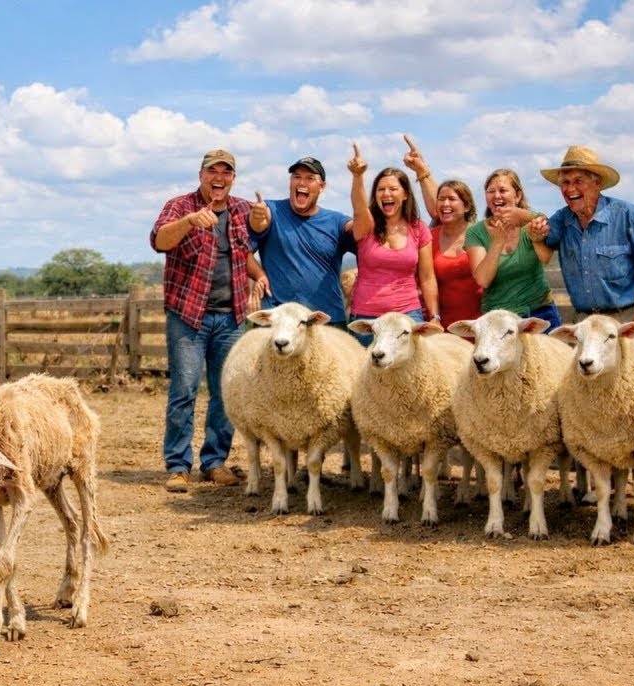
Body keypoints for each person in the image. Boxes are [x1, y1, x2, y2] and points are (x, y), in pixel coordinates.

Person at [151, 149, 260, 493]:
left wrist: (259, 273)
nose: (219, 178)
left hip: (231, 316)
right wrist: (188, 222)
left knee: (224, 393)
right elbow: (158, 240)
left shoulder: (242, 209)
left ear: (233, 179)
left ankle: (214, 462)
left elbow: (244, 251)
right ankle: (178, 465)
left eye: (226, 173)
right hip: (189, 316)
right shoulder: (180, 206)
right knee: (183, 390)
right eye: (213, 171)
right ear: (201, 175)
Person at [536, 146, 634, 324]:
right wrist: (529, 226)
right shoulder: (562, 219)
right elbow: (538, 234)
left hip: (627, 320)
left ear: (597, 183)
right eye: (565, 183)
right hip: (585, 323)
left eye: (578, 181)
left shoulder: (628, 215)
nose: (570, 189)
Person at [345, 142, 441, 347]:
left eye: (393, 189)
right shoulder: (366, 225)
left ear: (405, 194)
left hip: (407, 318)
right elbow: (359, 207)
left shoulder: (419, 229)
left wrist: (434, 315)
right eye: (381, 189)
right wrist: (357, 176)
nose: (386, 194)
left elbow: (427, 276)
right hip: (367, 319)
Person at [246, 156, 356, 327]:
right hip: (277, 321)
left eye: (310, 178)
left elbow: (367, 242)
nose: (301, 182)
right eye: (296, 177)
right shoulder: (271, 210)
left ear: (322, 187)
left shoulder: (337, 222)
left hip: (326, 321)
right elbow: (242, 250)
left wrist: (358, 179)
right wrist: (259, 275)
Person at [463, 169, 563, 331]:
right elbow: (483, 280)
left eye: (503, 190)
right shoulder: (475, 232)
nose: (496, 196)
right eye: (490, 191)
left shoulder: (534, 220)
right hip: (499, 319)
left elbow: (545, 258)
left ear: (517, 196)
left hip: (540, 313)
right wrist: (497, 242)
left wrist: (534, 235)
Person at [403, 136, 482, 330]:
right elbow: (426, 278)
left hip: (481, 323)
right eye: (441, 199)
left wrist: (423, 171)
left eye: (452, 199)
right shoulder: (430, 237)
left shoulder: (483, 234)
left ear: (467, 206)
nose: (445, 204)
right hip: (443, 323)